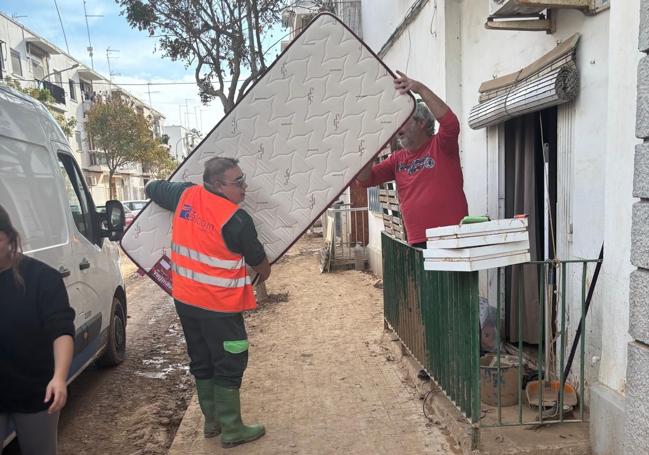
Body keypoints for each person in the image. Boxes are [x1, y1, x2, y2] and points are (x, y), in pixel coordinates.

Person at [145, 157, 270, 449]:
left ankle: (212, 423)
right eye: (237, 182)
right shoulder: (236, 219)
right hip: (220, 305)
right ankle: (232, 428)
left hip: (186, 300)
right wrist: (265, 272)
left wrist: (152, 184)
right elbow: (259, 263)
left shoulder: (185, 194)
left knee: (201, 358)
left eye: (243, 179)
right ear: (217, 184)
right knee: (232, 358)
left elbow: (153, 188)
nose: (244, 186)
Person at [356, 71, 468, 247]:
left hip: (452, 236)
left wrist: (420, 89)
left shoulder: (441, 145)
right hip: (417, 241)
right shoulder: (397, 159)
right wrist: (373, 144)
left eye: (403, 120)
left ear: (421, 122)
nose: (397, 127)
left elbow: (451, 123)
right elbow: (363, 180)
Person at [0, 204, 75, 455]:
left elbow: (61, 329)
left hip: (36, 390)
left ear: (10, 236)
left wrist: (59, 377)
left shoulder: (42, 277)